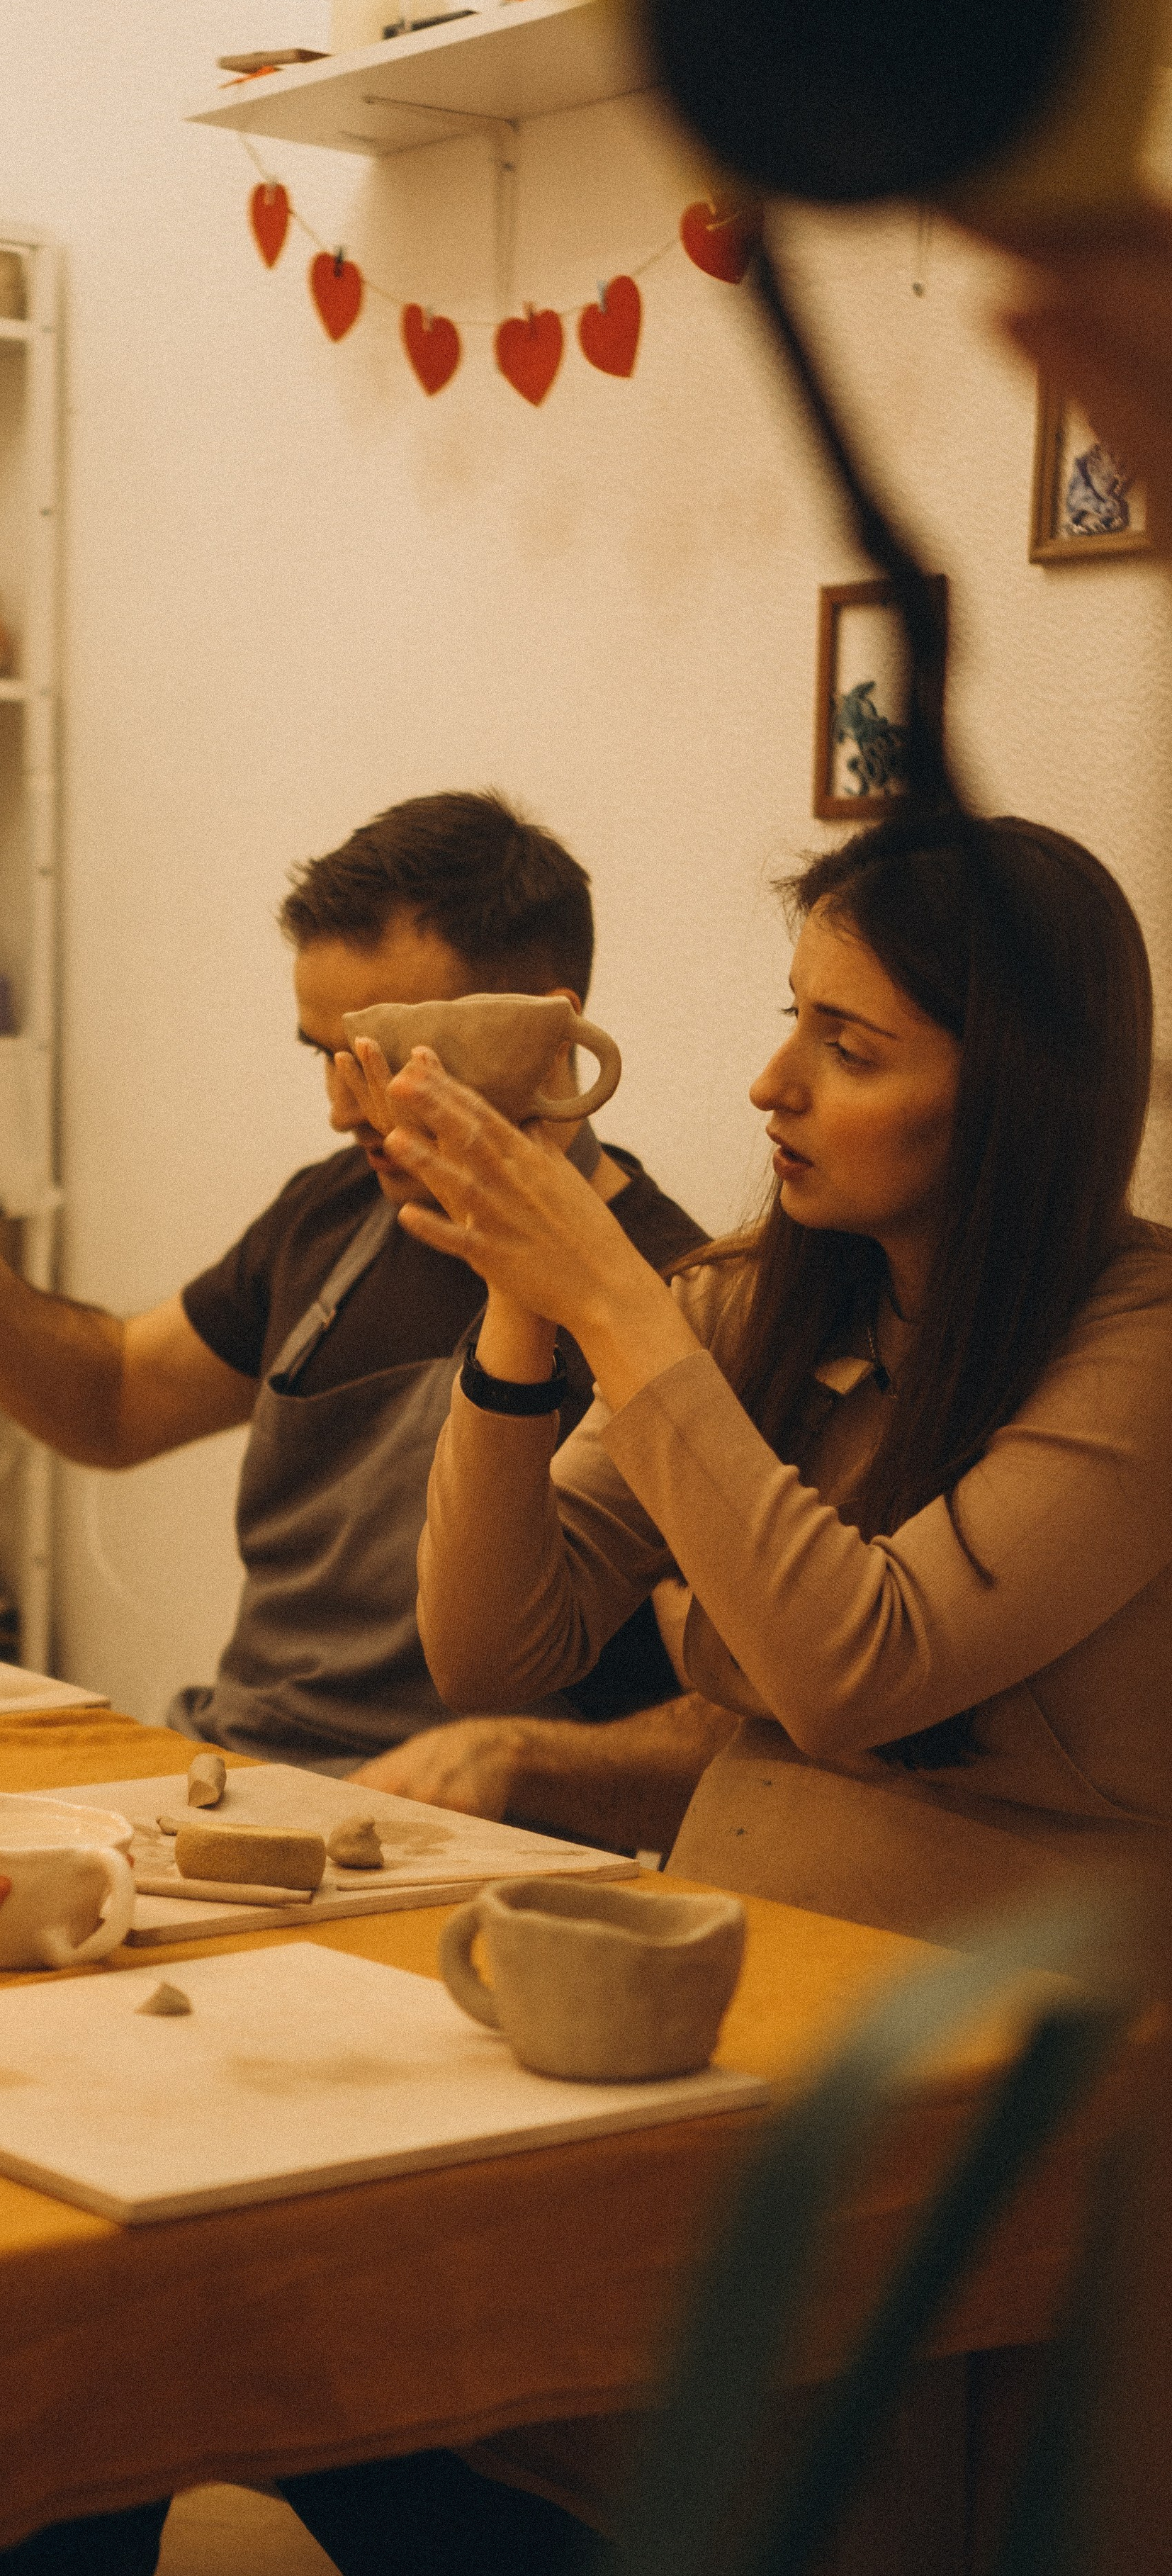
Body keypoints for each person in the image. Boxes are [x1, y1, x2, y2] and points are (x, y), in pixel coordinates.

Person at [342, 807, 1172, 1945]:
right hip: (717, 1950)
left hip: (1005, 2036)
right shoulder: (754, 1301)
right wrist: (517, 1289)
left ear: (1015, 1097)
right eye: (794, 1021)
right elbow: (491, 1650)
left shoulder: (1142, 1342)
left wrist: (609, 1294)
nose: (771, 1084)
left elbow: (857, 1671)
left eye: (850, 1049)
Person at [0, 788, 711, 1834]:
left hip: (469, 1853)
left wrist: (520, 1756)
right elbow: (114, 1403)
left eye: (382, 1060)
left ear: (543, 1035)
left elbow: (763, 1723)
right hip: (231, 1782)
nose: (343, 1109)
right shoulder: (332, 1215)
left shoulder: (685, 1296)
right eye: (323, 1056)